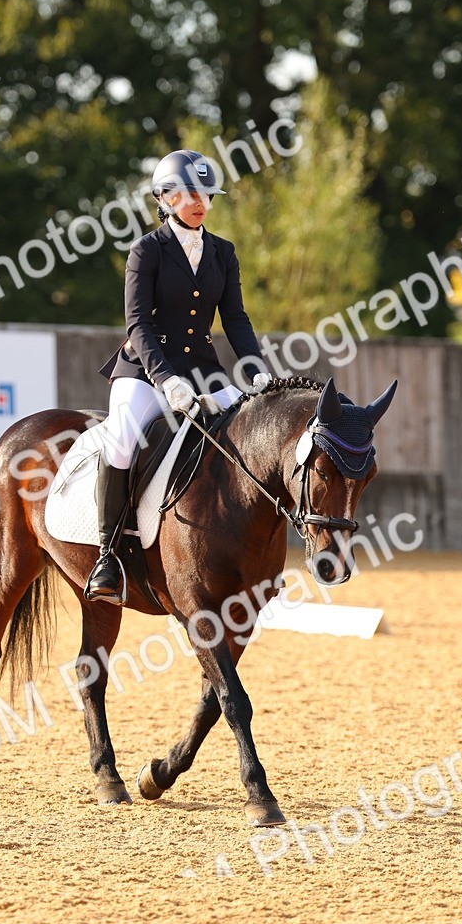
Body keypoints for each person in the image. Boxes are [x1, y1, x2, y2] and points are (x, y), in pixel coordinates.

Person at [84, 148, 269, 605]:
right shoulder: (146, 250)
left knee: (249, 434)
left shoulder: (223, 253)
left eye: (205, 193)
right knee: (123, 438)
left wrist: (257, 370)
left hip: (204, 370)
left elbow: (236, 319)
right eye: (188, 193)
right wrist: (165, 379)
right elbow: (137, 324)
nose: (199, 201)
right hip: (145, 369)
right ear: (164, 199)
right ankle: (108, 555)